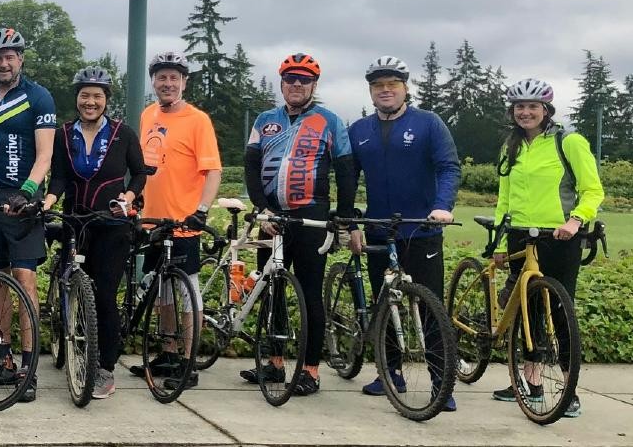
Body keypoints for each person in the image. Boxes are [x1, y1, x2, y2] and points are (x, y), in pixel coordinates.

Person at [345, 56, 461, 411]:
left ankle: (442, 383)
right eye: (378, 85)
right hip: (378, 228)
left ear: (404, 87)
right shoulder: (359, 130)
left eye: (392, 84)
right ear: (371, 90)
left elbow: (448, 167)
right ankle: (389, 373)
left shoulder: (428, 123)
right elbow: (349, 179)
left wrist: (442, 206)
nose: (385, 90)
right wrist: (351, 222)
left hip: (421, 228)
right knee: (385, 303)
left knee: (430, 306)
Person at [240, 53, 357, 396]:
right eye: (290, 79)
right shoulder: (265, 120)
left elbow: (346, 171)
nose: (296, 85)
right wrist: (260, 209)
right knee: (270, 288)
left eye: (303, 80)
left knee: (309, 293)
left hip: (311, 216)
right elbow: (250, 166)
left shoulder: (329, 120)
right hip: (272, 217)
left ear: (313, 86)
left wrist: (343, 217)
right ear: (282, 83)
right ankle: (275, 364)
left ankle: (310, 370)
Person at [489, 78, 602, 418]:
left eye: (532, 107)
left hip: (560, 237)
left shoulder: (569, 142)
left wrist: (576, 220)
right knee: (528, 310)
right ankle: (531, 382)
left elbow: (592, 189)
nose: (525, 112)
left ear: (546, 110)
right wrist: (497, 238)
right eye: (519, 107)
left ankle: (570, 390)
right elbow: (504, 197)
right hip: (520, 234)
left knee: (560, 312)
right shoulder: (511, 146)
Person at [39, 67, 150, 400]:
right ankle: (71, 336)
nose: (90, 102)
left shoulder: (123, 133)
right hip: (76, 220)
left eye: (97, 96)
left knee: (104, 296)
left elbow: (140, 173)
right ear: (77, 99)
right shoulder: (62, 134)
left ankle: (105, 367)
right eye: (85, 95)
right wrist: (48, 202)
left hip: (112, 223)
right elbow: (57, 177)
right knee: (73, 285)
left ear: (106, 100)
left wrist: (128, 199)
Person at [127, 51, 223, 391]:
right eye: (162, 77)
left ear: (184, 82)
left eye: (174, 78)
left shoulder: (198, 120)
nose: (167, 83)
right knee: (161, 292)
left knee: (186, 293)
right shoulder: (148, 115)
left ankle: (187, 360)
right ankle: (167, 353)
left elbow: (213, 170)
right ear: (153, 81)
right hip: (154, 221)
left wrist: (202, 209)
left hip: (183, 222)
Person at [0, 27, 56, 402]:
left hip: (23, 198)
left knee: (25, 280)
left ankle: (28, 365)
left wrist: (28, 192)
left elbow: (44, 155)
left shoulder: (39, 97)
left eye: (10, 56)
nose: (3, 63)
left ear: (20, 58)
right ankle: (4, 360)